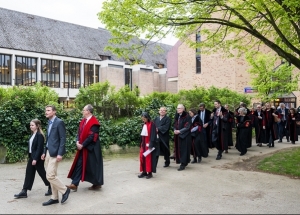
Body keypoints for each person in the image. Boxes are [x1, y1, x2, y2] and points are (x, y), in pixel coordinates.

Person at [67, 104, 104, 191]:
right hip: (83, 147)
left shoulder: (94, 123)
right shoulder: (83, 121)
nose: (82, 111)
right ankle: (74, 184)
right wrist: (77, 141)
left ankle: (97, 183)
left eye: (84, 110)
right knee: (80, 164)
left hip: (92, 148)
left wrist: (82, 144)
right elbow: (79, 133)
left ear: (88, 111)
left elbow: (92, 137)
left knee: (93, 166)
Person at [14, 119, 51, 199]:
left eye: (32, 125)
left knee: (42, 173)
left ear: (37, 126)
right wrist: (32, 157)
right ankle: (24, 191)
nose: (30, 126)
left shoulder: (39, 135)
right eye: (30, 125)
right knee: (29, 173)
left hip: (37, 157)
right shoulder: (32, 135)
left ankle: (51, 186)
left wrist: (35, 159)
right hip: (32, 156)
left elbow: (39, 148)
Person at [41, 105, 70, 206]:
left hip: (55, 153)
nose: (46, 112)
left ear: (54, 112)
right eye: (46, 110)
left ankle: (65, 190)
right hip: (48, 152)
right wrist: (44, 152)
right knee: (53, 175)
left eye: (48, 110)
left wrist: (60, 153)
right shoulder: (49, 122)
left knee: (50, 176)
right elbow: (48, 139)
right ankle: (54, 197)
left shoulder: (59, 122)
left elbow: (62, 138)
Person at [138, 112, 159, 179]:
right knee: (142, 157)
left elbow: (153, 135)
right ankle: (144, 172)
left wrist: (151, 144)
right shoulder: (143, 124)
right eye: (142, 119)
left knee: (149, 159)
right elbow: (142, 135)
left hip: (149, 144)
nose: (143, 120)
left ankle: (149, 173)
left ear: (147, 118)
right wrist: (141, 143)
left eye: (144, 119)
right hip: (143, 144)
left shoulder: (152, 124)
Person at [173, 104, 192, 171]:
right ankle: (182, 161)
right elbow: (174, 124)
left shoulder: (187, 116)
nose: (178, 109)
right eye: (177, 108)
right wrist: (175, 130)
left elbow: (187, 126)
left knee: (184, 150)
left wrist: (179, 131)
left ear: (183, 109)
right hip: (178, 135)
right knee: (179, 149)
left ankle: (183, 163)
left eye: (179, 108)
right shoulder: (177, 115)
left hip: (185, 136)